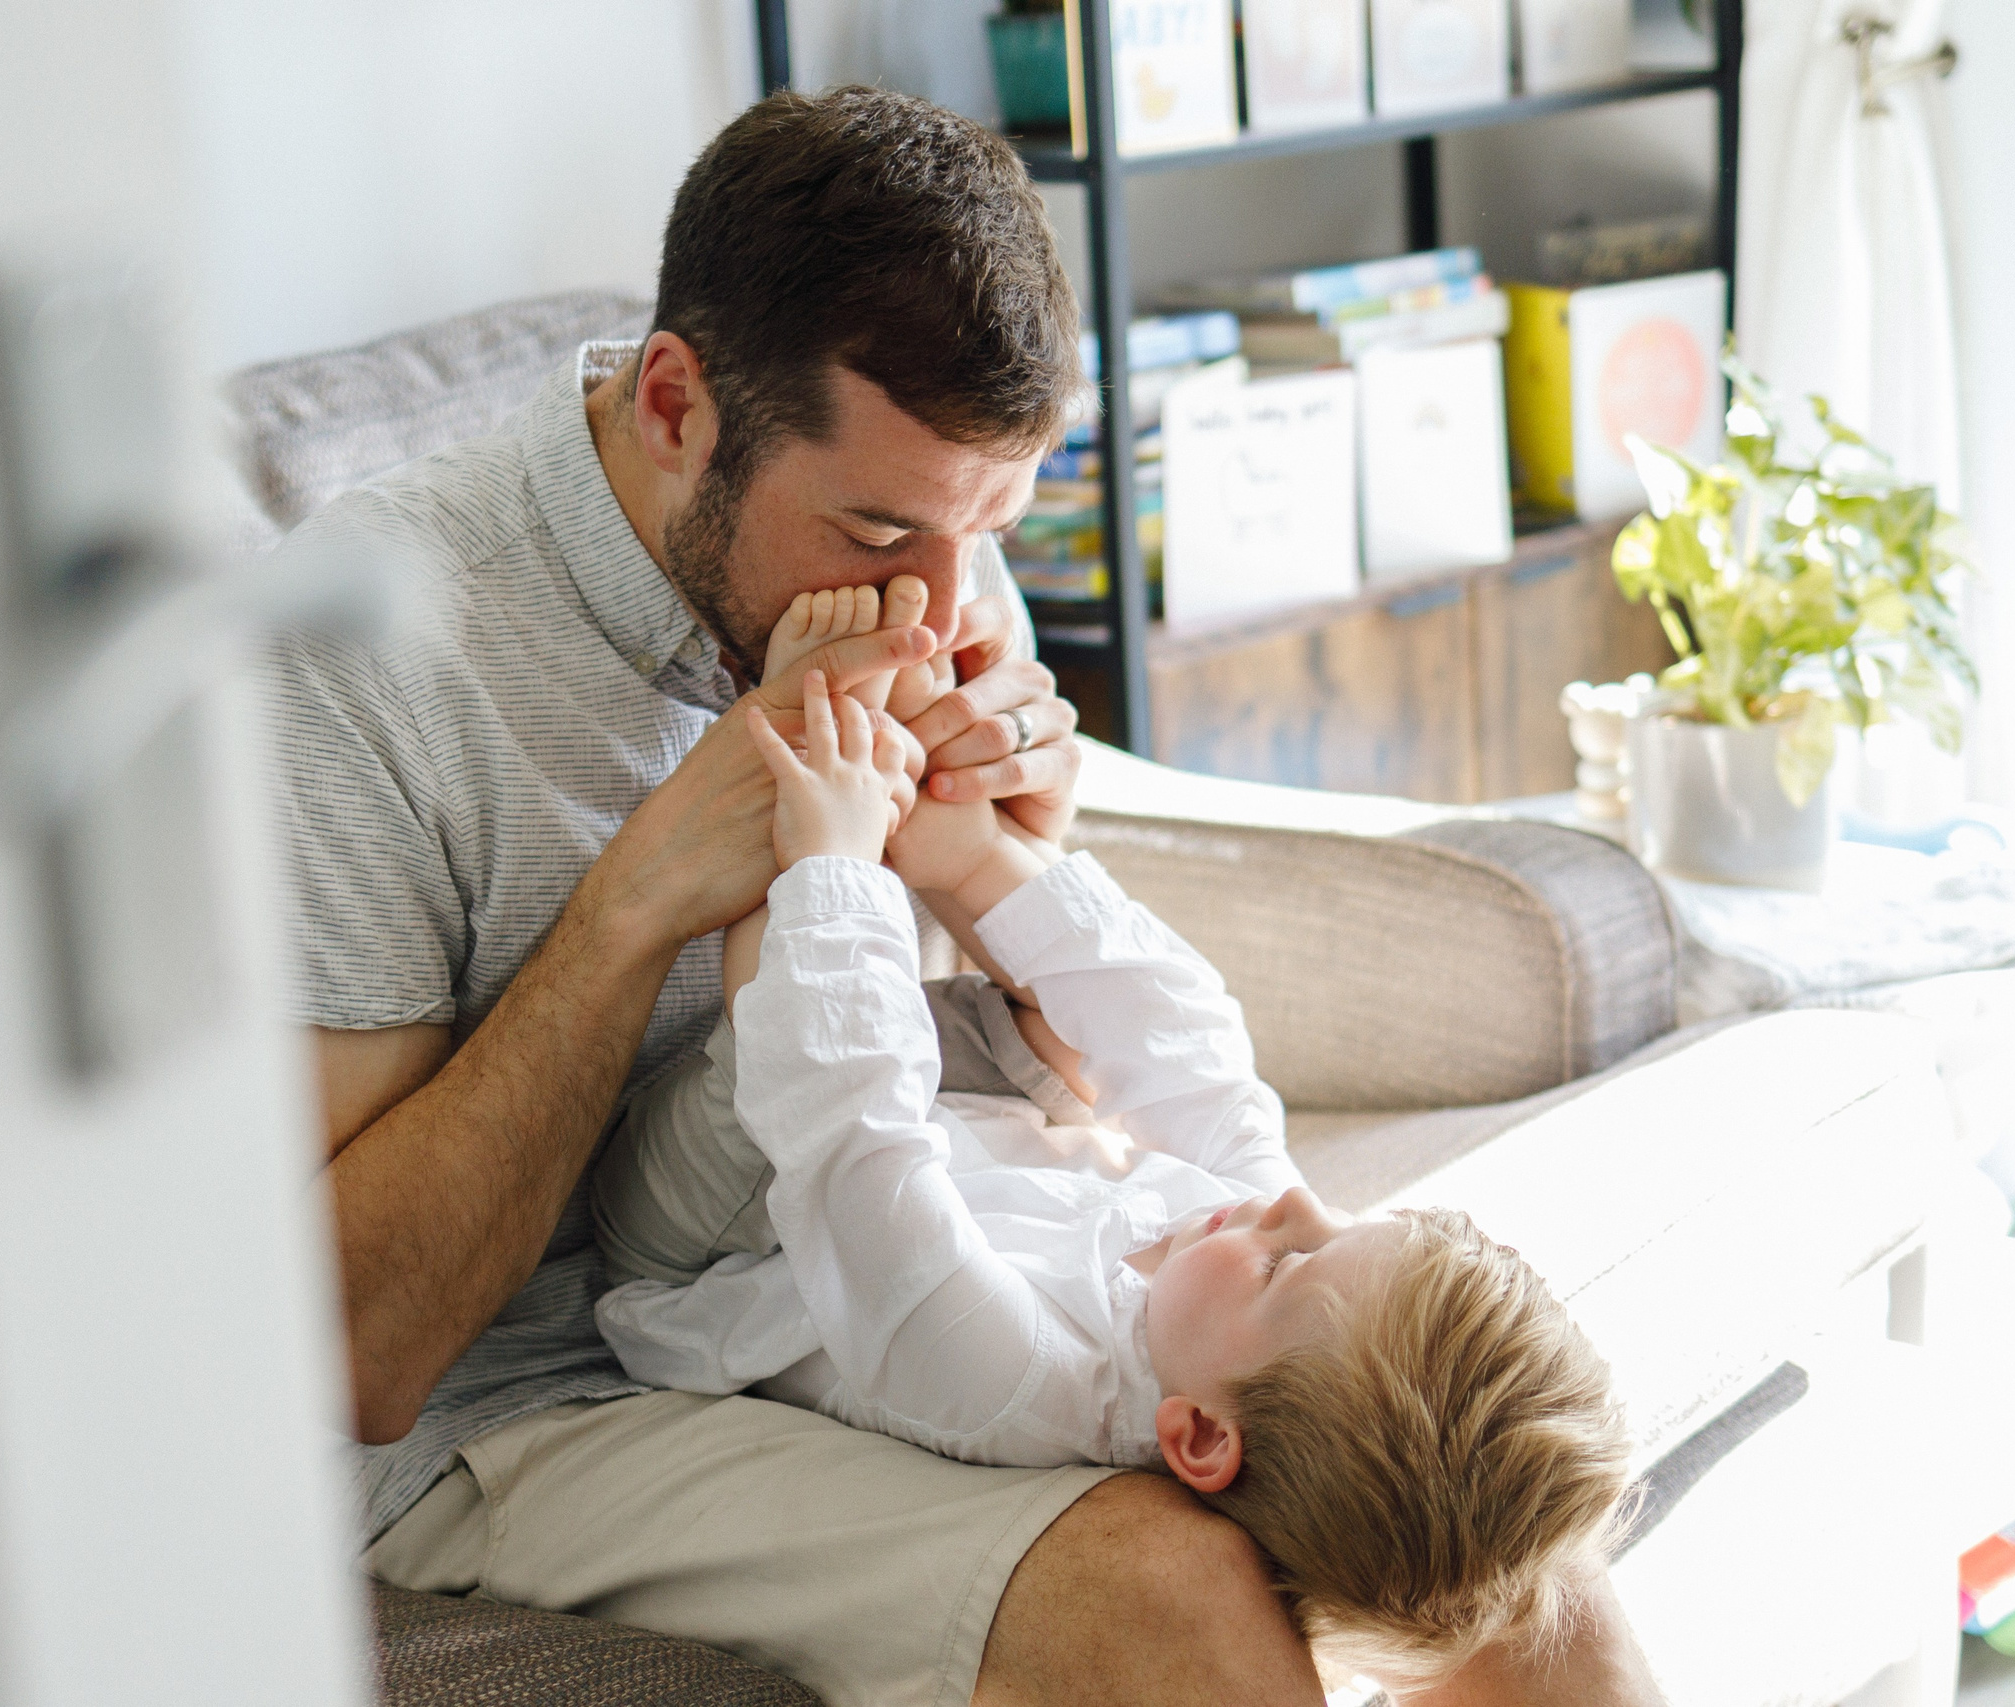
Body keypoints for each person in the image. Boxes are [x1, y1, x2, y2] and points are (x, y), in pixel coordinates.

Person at [274, 80, 1670, 1707]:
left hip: (911, 1231)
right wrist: (642, 898)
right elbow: (358, 1346)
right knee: (1171, 1592)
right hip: (538, 1382)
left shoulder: (922, 525)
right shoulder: (355, 659)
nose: (939, 603)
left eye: (989, 527)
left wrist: (1008, 867)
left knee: (1505, 1540)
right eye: (879, 528)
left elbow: (1073, 1061)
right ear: (673, 406)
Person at [590, 590, 1633, 1691]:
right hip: (957, 1146)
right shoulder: (1236, 1281)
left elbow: (849, 1135)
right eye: (1345, 1222)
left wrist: (836, 860)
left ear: (1199, 1439)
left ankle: (805, 742)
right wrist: (973, 856)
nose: (1291, 1204)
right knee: (1076, 1045)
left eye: (1290, 1263)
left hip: (717, 1243)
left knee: (807, 1050)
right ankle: (893, 766)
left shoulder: (1007, 1375)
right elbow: (1182, 1035)